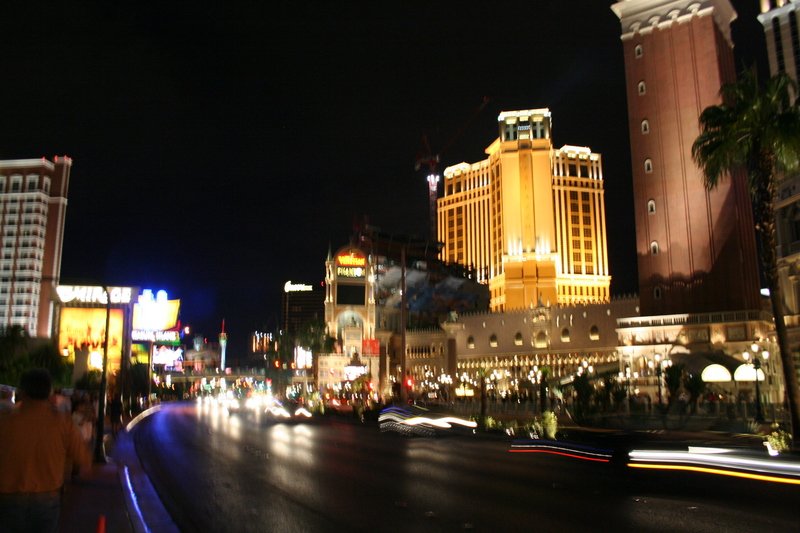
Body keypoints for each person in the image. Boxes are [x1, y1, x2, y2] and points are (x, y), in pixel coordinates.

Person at [0, 368, 91, 533]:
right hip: (47, 497)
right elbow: (82, 458)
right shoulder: (63, 423)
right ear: (49, 392)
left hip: (8, 496)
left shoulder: (5, 421)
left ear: (22, 391)